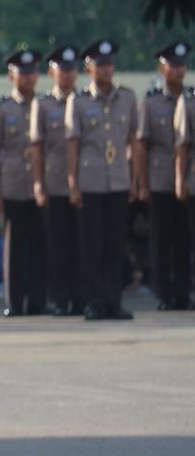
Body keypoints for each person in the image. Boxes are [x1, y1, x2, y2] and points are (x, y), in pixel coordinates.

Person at [68, 40, 141, 321]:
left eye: (109, 64)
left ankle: (114, 300)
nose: (106, 69)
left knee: (114, 244)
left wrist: (134, 178)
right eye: (100, 64)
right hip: (91, 180)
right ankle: (94, 301)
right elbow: (73, 145)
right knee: (92, 245)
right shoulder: (79, 101)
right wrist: (73, 183)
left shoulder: (127, 98)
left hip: (119, 179)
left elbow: (132, 140)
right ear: (89, 68)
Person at [0, 49, 46, 316]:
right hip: (12, 183)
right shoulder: (0, 107)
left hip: (41, 183)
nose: (28, 77)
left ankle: (37, 300)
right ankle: (14, 301)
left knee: (39, 245)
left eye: (33, 71)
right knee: (13, 245)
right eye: (23, 72)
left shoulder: (45, 104)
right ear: (12, 75)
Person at [140, 41, 190, 310]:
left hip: (190, 180)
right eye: (173, 65)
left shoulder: (191, 98)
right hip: (160, 178)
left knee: (185, 239)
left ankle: (183, 293)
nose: (178, 71)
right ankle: (164, 294)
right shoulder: (150, 102)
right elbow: (141, 145)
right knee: (161, 240)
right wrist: (142, 183)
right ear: (162, 68)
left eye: (182, 65)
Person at [33, 46, 83, 315]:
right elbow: (37, 148)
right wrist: (38, 183)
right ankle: (60, 299)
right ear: (52, 72)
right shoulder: (42, 105)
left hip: (85, 183)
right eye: (62, 71)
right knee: (57, 245)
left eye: (71, 70)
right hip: (54, 183)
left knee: (82, 244)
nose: (67, 76)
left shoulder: (86, 101)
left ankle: (81, 297)